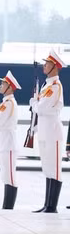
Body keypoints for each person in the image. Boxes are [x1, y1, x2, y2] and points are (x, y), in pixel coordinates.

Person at [31, 49, 66, 213]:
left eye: (47, 63)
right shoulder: (47, 86)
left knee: (55, 169)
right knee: (47, 167)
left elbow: (42, 107)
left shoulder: (55, 86)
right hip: (45, 131)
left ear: (55, 66)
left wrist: (34, 104)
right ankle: (47, 204)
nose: (44, 66)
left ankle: (52, 206)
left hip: (53, 132)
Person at [0, 71, 20, 210]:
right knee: (5, 175)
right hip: (3, 142)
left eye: (3, 84)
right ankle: (6, 204)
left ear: (10, 87)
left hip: (8, 143)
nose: (0, 86)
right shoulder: (5, 103)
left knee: (10, 175)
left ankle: (9, 205)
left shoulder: (9, 103)